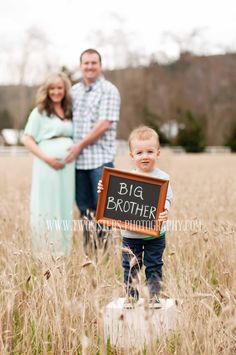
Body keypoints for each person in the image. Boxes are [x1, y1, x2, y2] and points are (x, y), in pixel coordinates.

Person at [98, 126, 173, 307]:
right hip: (131, 236)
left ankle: (154, 296)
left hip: (155, 235)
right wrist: (104, 190)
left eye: (150, 151)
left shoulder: (162, 178)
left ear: (158, 153)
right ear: (132, 156)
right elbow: (113, 200)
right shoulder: (125, 179)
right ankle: (131, 297)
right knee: (131, 267)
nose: (145, 156)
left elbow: (167, 199)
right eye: (139, 152)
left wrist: (165, 211)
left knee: (154, 266)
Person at [65, 48, 120, 251]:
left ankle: (105, 253)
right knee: (84, 209)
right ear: (81, 66)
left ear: (100, 65)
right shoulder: (74, 92)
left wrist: (79, 145)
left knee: (103, 209)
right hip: (78, 163)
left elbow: (104, 124)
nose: (89, 66)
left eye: (93, 63)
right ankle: (90, 252)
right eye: (86, 63)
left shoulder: (109, 90)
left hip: (101, 160)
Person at [23, 72, 75, 257]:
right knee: (47, 204)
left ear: (65, 90)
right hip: (47, 165)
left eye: (59, 88)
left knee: (64, 203)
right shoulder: (39, 112)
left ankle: (64, 250)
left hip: (68, 168)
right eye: (52, 88)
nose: (56, 92)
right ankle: (45, 250)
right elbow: (27, 139)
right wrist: (47, 159)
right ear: (46, 91)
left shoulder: (69, 111)